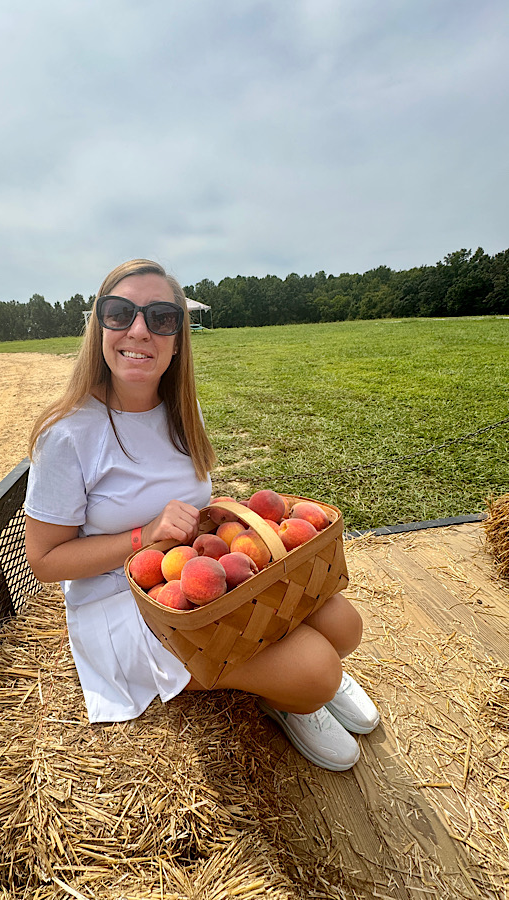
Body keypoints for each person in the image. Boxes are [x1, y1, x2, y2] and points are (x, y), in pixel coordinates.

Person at [24, 259, 379, 772]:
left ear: (177, 338)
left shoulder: (180, 411)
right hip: (123, 604)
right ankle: (292, 697)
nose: (139, 330)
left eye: (161, 318)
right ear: (98, 325)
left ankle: (293, 677)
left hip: (196, 582)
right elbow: (45, 562)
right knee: (319, 670)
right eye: (120, 313)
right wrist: (143, 535)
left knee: (344, 625)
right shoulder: (67, 435)